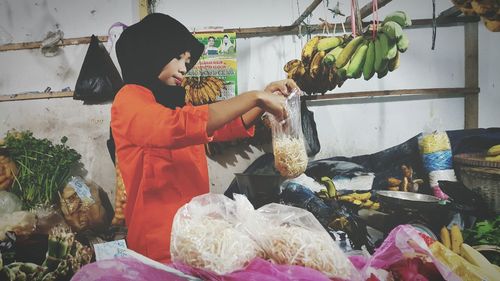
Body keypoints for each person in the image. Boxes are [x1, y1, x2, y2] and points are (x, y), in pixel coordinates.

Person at [109, 13, 298, 264]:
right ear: (152, 51)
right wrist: (254, 97)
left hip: (192, 237)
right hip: (158, 245)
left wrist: (263, 97)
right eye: (178, 57)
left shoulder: (171, 103)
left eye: (187, 61)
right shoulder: (130, 99)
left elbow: (222, 127)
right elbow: (174, 128)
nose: (184, 68)